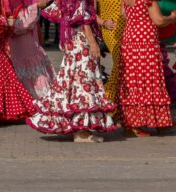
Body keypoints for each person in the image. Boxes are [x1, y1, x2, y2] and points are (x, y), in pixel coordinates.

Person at [26, 0, 117, 143]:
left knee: (71, 82)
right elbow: (83, 18)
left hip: (73, 41)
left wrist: (103, 22)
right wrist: (93, 42)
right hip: (81, 42)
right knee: (83, 82)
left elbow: (85, 13)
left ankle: (77, 127)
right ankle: (82, 132)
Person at [119, 0, 176, 137]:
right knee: (150, 80)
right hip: (145, 42)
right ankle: (155, 121)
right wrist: (172, 18)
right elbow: (158, 20)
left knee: (133, 82)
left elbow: (124, 15)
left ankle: (134, 123)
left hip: (129, 41)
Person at [4, 0, 56, 99]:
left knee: (31, 65)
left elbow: (25, 23)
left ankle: (34, 96)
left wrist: (36, 6)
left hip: (26, 40)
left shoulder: (27, 8)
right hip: (15, 42)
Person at [97, 0, 125, 119]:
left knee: (125, 67)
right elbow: (88, 11)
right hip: (111, 28)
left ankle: (120, 108)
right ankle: (107, 104)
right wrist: (103, 22)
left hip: (128, 27)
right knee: (120, 65)